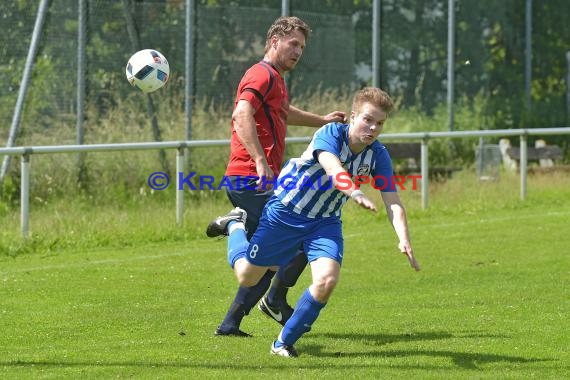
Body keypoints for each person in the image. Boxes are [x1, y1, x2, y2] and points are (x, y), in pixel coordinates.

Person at [206, 87, 421, 357]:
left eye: (379, 123)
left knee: (327, 280)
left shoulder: (377, 154)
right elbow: (332, 167)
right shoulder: (330, 133)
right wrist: (353, 191)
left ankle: (282, 343)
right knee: (247, 277)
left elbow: (393, 201)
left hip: (325, 223)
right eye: (368, 119)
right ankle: (235, 224)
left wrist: (403, 238)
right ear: (353, 116)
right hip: (285, 211)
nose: (373, 128)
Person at [210, 16, 346, 337]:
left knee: (267, 258)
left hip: (254, 179)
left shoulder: (275, 79)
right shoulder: (261, 74)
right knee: (299, 237)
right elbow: (241, 113)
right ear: (274, 41)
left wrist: (322, 120)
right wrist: (259, 159)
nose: (298, 51)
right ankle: (271, 294)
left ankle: (231, 323)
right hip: (250, 178)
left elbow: (284, 111)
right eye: (293, 43)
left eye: (302, 46)